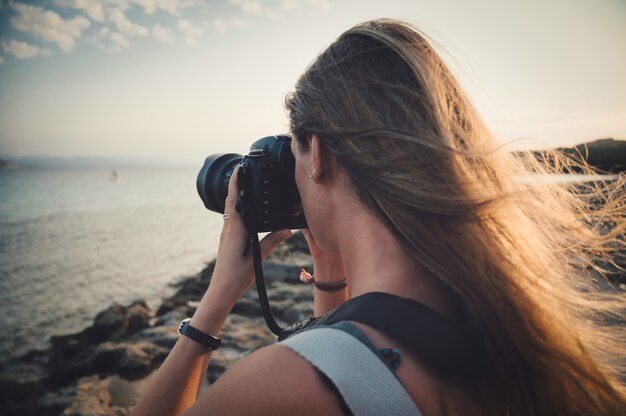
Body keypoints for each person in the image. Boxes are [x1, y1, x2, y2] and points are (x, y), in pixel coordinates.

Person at [133, 19, 626, 415]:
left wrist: (216, 299)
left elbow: (342, 361)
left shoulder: (282, 386)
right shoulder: (500, 325)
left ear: (319, 156)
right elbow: (353, 345)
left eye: (296, 156)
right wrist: (327, 264)